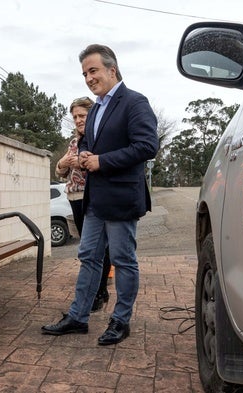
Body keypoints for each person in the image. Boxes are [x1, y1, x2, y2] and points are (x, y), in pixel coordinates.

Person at [42, 44, 159, 345]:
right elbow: (85, 143)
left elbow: (147, 146)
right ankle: (78, 317)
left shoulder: (135, 102)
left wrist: (101, 161)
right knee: (89, 257)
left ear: (112, 69)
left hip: (121, 199)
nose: (88, 78)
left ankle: (121, 321)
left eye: (93, 71)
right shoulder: (95, 110)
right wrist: (83, 155)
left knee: (122, 259)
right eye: (84, 74)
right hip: (94, 200)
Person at [55, 96, 111, 312]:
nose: (78, 120)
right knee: (87, 248)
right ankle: (95, 291)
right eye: (75, 116)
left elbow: (96, 163)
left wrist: (76, 161)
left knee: (98, 248)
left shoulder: (99, 137)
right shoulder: (73, 142)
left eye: (82, 115)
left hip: (94, 198)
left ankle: (100, 291)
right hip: (74, 198)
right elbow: (60, 171)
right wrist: (63, 162)